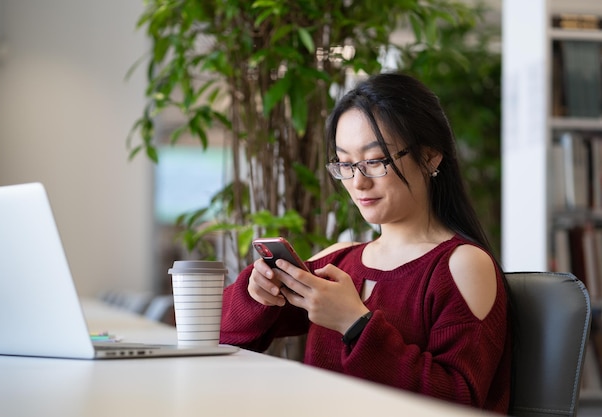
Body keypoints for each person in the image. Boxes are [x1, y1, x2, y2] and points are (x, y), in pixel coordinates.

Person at [219, 72, 511, 414]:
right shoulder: (340, 261)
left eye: (375, 161)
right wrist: (256, 294)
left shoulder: (461, 265)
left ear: (431, 156)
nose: (357, 182)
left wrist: (355, 325)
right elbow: (224, 336)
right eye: (345, 164)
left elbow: (460, 403)